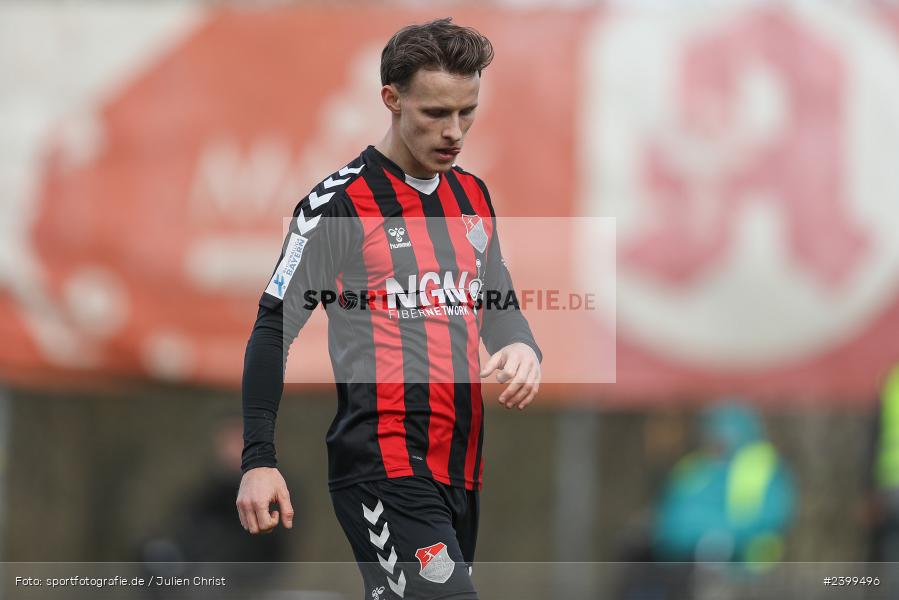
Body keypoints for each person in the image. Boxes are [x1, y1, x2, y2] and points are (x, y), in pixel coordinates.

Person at [236, 18, 542, 600]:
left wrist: (522, 343)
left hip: (461, 467)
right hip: (383, 463)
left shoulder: (472, 195)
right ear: (391, 99)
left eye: (467, 111)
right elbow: (274, 325)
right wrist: (258, 459)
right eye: (435, 113)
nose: (454, 131)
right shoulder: (341, 205)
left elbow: (496, 297)